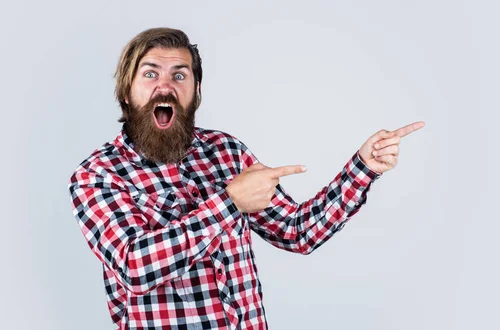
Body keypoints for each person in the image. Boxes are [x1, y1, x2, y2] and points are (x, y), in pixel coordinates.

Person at [68, 27, 425, 330]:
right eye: (150, 74)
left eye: (179, 75)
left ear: (196, 91)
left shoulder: (226, 152)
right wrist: (229, 203)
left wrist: (364, 168)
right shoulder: (97, 175)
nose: (165, 86)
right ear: (126, 93)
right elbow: (135, 267)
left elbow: (297, 231)